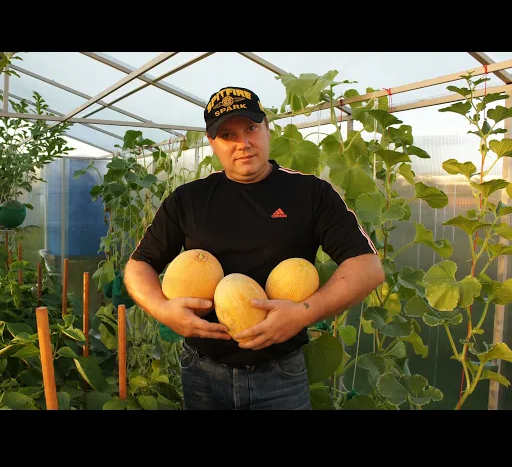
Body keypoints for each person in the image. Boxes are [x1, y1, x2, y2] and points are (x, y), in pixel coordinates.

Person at [123, 85, 385, 410]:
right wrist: (162, 310)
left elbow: (367, 267)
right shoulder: (187, 200)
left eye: (251, 128)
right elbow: (139, 265)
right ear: (212, 143)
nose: (243, 143)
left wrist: (304, 313)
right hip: (202, 371)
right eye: (227, 135)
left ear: (267, 129)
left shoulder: (310, 193)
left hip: (280, 373)